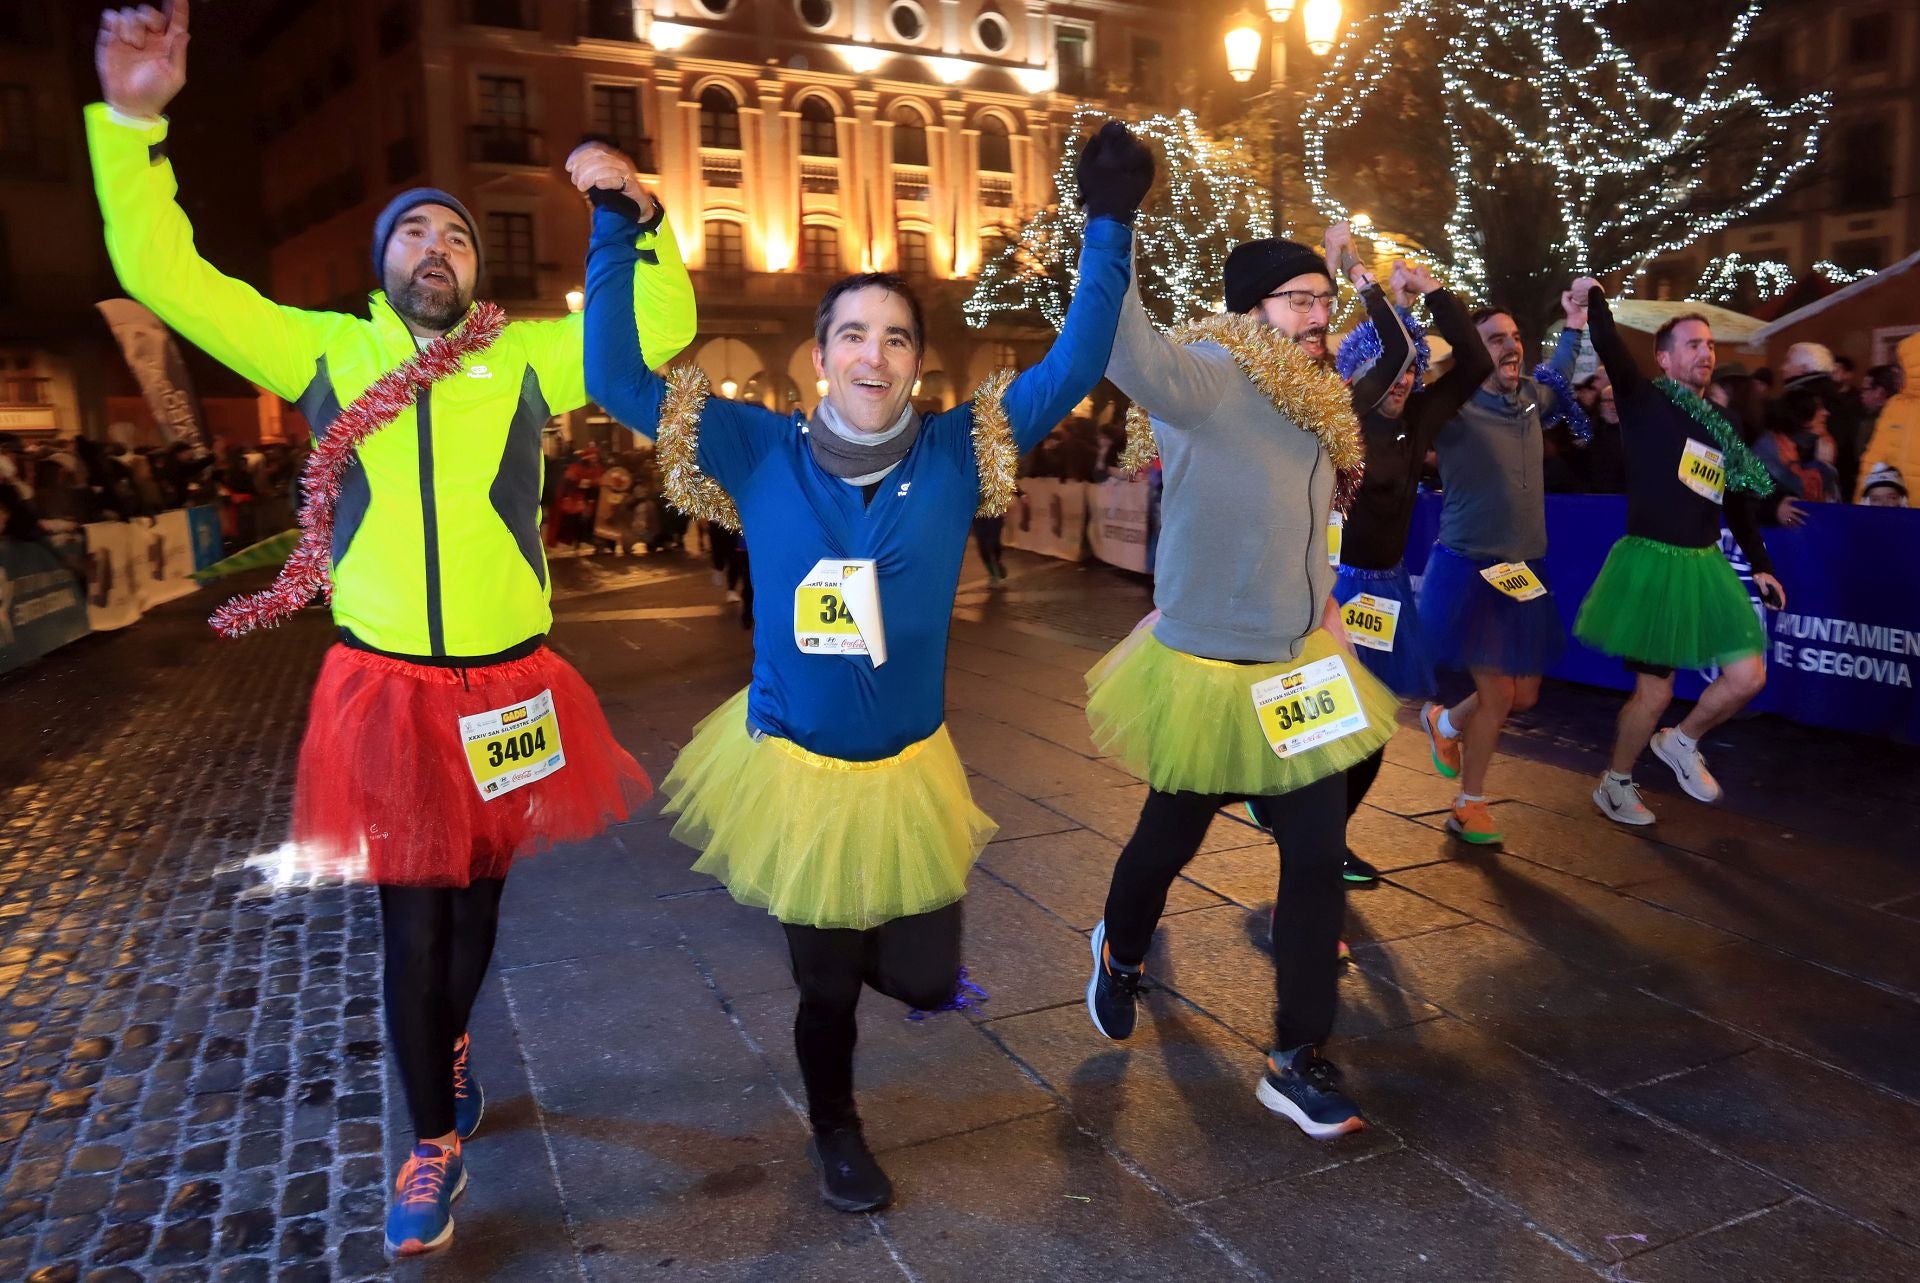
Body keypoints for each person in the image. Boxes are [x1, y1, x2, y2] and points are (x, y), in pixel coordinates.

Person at [89, 0, 694, 1257]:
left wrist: (638, 220)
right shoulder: (322, 350)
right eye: (412, 230)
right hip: (393, 688)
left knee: (475, 910)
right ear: (384, 262)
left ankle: (455, 1044)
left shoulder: (525, 357)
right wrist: (134, 123)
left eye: (458, 233)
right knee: (413, 921)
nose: (437, 245)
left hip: (517, 691)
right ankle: (428, 1138)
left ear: (478, 267)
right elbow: (163, 274)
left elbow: (659, 335)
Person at [583, 121, 1152, 1212]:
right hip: (793, 764)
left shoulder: (961, 447)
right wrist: (620, 228)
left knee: (928, 978)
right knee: (825, 981)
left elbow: (1077, 358)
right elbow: (612, 370)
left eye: (895, 338)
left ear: (918, 361)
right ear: (821, 352)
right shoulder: (753, 448)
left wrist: (1110, 221)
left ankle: (899, 975)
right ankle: (837, 1127)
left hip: (906, 768)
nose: (873, 356)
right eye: (853, 334)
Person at [1083, 222, 1400, 1141]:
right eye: (1298, 300)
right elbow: (1120, 340)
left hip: (1296, 666)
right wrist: (1112, 220)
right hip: (1208, 670)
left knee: (1313, 857)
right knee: (1165, 840)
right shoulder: (1208, 374)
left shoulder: (1318, 398)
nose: (1316, 316)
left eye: (1320, 301)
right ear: (1251, 310)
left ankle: (1296, 1057)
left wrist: (1323, 614)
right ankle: (1120, 946)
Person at [1571, 285, 1786, 825]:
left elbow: (1735, 500)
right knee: (1654, 692)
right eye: (1692, 344)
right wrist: (1594, 298)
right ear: (1665, 358)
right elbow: (1610, 345)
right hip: (1650, 564)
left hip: (1704, 563)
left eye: (1709, 344)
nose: (1705, 353)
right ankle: (1615, 783)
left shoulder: (1724, 425)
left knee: (1748, 678)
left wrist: (1760, 562)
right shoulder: (1645, 402)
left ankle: (1682, 742)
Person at [1331, 259, 1491, 878]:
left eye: (1410, 369)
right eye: (1388, 368)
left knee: (1372, 730)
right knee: (1342, 723)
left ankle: (1329, 835)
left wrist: (1434, 293)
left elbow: (1475, 366)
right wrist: (1368, 286)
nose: (1401, 380)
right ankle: (1299, 819)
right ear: (1362, 370)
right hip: (1338, 590)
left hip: (1389, 592)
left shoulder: (1421, 414)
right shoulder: (1343, 413)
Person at [1415, 293, 1586, 845]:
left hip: (1523, 570)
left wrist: (1575, 322)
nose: (1511, 347)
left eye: (1515, 337)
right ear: (1474, 351)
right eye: (1495, 339)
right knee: (1497, 695)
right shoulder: (1455, 411)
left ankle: (1445, 723)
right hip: (1470, 568)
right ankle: (1469, 805)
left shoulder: (1532, 400)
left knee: (1526, 695)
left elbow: (1558, 371)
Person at [1856, 336, 1920, 500]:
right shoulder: (1894, 406)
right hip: (1893, 510)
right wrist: (1861, 501)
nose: (1894, 371)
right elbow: (1872, 460)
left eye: (1899, 366)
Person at [1757, 389, 1841, 502]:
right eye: (1819, 408)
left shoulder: (1813, 447)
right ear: (1804, 419)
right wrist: (1824, 467)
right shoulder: (1768, 451)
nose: (1826, 413)